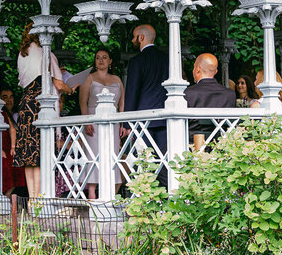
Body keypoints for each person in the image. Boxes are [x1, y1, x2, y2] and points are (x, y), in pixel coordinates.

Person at [14, 22, 73, 200]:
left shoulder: (22, 53)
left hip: (25, 103)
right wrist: (71, 89)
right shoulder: (45, 52)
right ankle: (40, 199)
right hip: (40, 104)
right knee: (39, 152)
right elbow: (59, 83)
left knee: (29, 154)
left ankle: (33, 198)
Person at [123, 24, 169, 186]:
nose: (132, 40)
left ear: (141, 38)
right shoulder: (167, 59)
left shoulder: (137, 61)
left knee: (144, 162)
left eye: (134, 37)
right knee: (164, 161)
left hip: (143, 120)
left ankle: (143, 198)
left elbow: (132, 91)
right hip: (165, 118)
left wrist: (127, 122)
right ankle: (166, 198)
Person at [78, 47, 124, 198]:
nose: (101, 60)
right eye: (98, 57)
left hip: (113, 122)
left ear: (110, 61)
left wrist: (122, 123)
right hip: (94, 121)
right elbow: (83, 102)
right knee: (93, 156)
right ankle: (92, 195)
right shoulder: (89, 78)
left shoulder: (117, 79)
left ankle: (111, 196)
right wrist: (87, 122)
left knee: (114, 156)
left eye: (105, 57)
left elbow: (122, 103)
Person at [184, 53, 237, 150]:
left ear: (197, 69)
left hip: (193, 147)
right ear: (216, 71)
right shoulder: (230, 94)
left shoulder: (188, 93)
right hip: (220, 147)